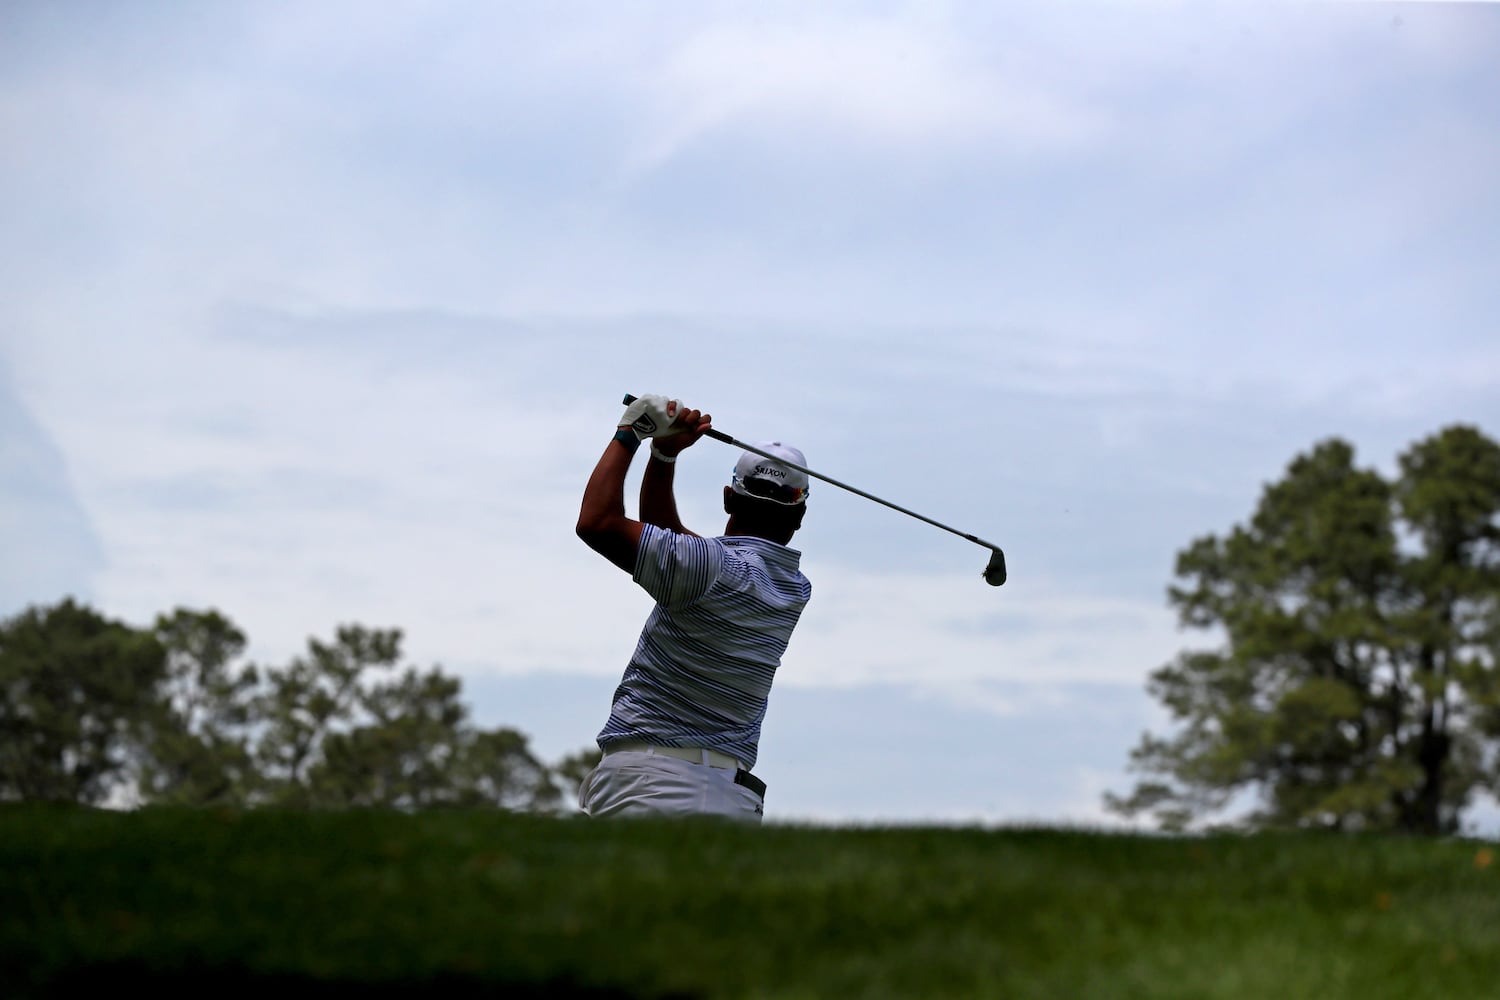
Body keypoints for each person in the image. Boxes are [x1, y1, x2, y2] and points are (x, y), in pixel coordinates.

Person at [574, 394, 812, 822]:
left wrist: (630, 433)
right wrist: (662, 458)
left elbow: (597, 522)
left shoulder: (706, 568)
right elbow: (673, 547)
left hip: (651, 786)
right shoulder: (793, 588)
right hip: (730, 797)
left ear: (728, 498)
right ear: (800, 515)